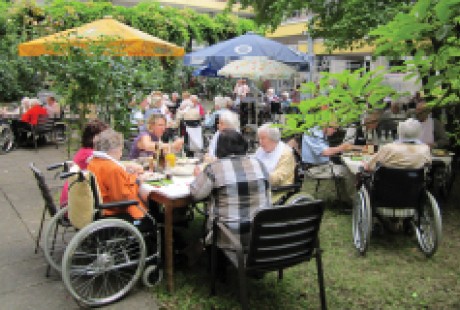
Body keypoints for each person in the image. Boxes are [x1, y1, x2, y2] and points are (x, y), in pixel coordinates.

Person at [190, 129, 271, 248]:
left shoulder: (214, 168)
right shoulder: (259, 164)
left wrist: (199, 177)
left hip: (228, 235)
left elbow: (195, 194)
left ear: (219, 148)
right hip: (259, 232)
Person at [87, 128, 146, 219]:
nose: (121, 153)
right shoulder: (113, 169)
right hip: (115, 212)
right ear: (115, 149)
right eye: (121, 149)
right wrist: (137, 182)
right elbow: (123, 198)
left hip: (101, 207)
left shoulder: (93, 162)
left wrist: (131, 176)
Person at [59, 119, 109, 207]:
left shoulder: (84, 151)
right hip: (78, 207)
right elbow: (110, 170)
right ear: (94, 138)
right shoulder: (91, 155)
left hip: (71, 201)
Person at [364, 118, 431, 171]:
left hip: (387, 187)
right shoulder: (425, 149)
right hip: (415, 187)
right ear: (419, 132)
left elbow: (369, 167)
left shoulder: (388, 148)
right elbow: (428, 166)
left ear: (399, 131)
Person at [255, 124, 296, 203]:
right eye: (259, 138)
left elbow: (278, 178)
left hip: (277, 190)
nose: (260, 142)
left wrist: (258, 176)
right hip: (260, 185)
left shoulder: (285, 154)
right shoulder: (260, 150)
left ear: (273, 138)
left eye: (263, 138)